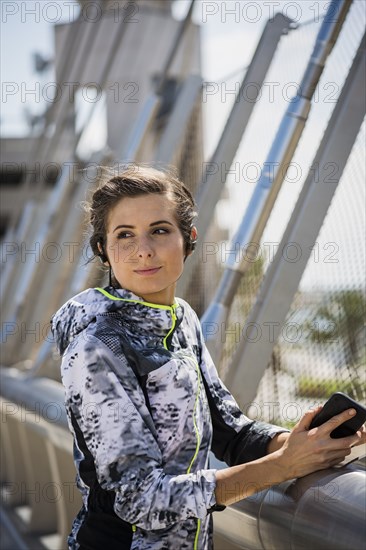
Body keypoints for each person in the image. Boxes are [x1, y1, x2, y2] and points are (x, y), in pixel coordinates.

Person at [51, 165, 365, 550]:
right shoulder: (96, 346)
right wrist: (283, 467)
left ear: (189, 238)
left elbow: (229, 431)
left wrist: (302, 441)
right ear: (103, 250)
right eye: (124, 236)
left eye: (160, 230)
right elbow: (141, 500)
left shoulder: (182, 319)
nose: (144, 250)